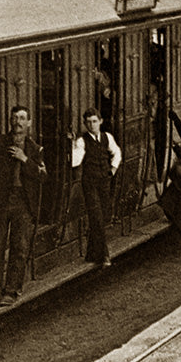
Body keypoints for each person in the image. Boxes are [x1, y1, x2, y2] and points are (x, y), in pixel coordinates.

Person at [0, 105, 46, 308]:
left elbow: (42, 175)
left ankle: (11, 291)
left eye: (22, 118)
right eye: (15, 118)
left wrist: (24, 160)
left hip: (23, 202)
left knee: (19, 248)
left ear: (28, 123)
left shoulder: (35, 149)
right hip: (0, 201)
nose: (18, 122)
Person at [71, 107, 121, 267]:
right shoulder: (81, 141)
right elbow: (75, 162)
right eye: (88, 122)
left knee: (103, 216)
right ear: (85, 124)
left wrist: (112, 170)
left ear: (100, 121)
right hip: (90, 184)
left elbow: (117, 153)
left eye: (94, 121)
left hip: (104, 183)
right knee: (97, 217)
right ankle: (104, 255)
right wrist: (72, 145)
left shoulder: (107, 137)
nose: (92, 125)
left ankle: (91, 254)